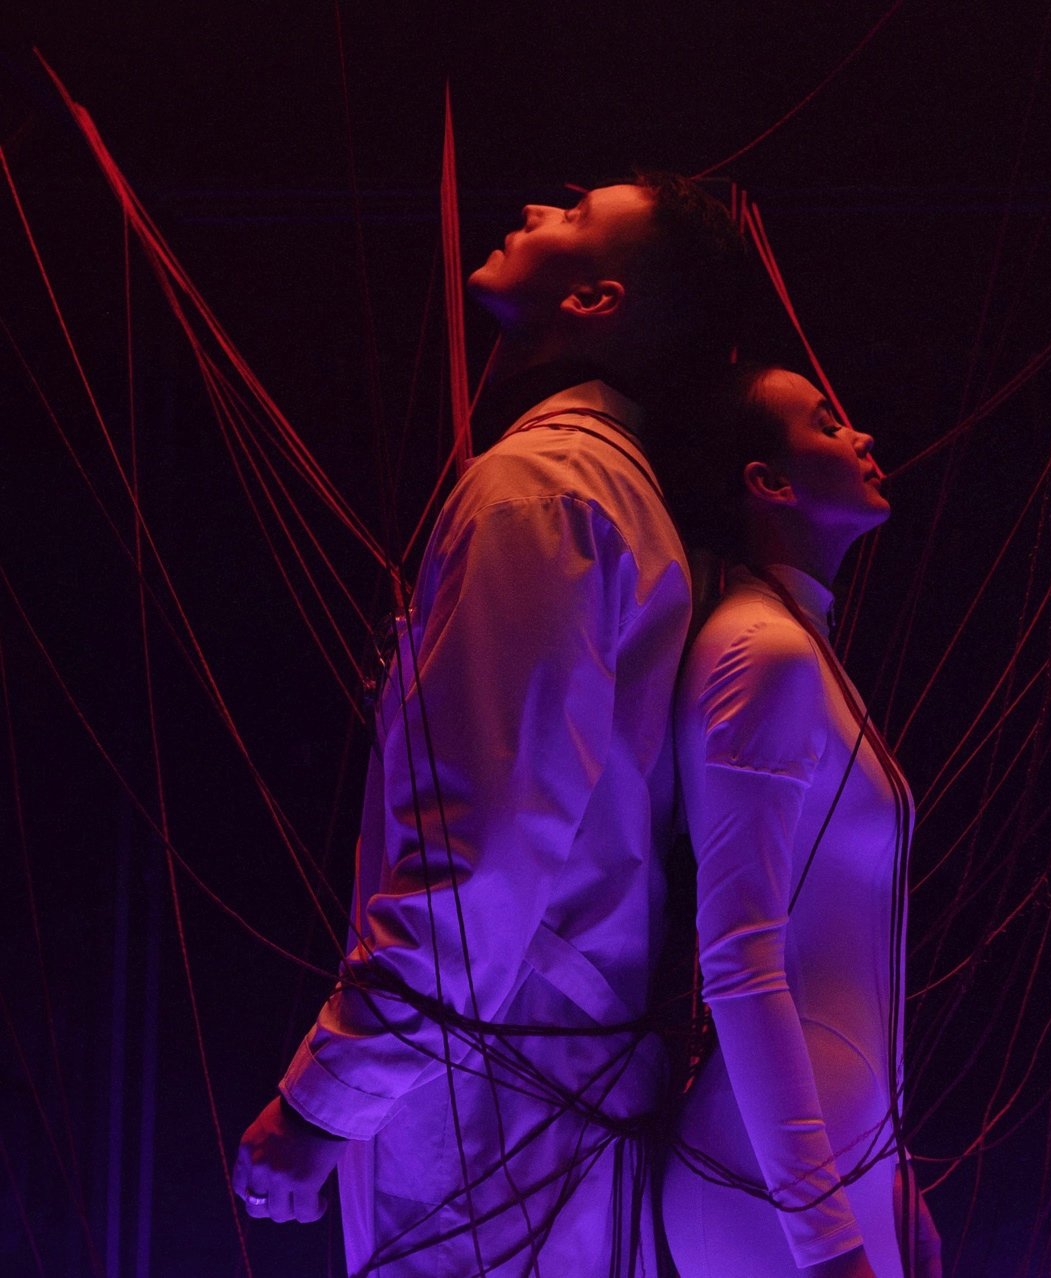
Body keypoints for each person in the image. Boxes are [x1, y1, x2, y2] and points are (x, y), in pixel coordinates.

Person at [233, 175, 745, 1276]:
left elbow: (483, 845)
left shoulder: (544, 488)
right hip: (538, 1076)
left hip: (493, 1094)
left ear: (596, 299)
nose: (540, 209)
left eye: (576, 213)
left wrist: (329, 1097)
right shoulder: (604, 489)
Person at [660, 367, 942, 1277]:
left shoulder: (797, 647)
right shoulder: (765, 653)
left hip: (834, 1167)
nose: (862, 437)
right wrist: (825, 1245)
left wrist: (893, 1170)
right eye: (827, 424)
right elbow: (738, 961)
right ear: (769, 482)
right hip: (772, 1198)